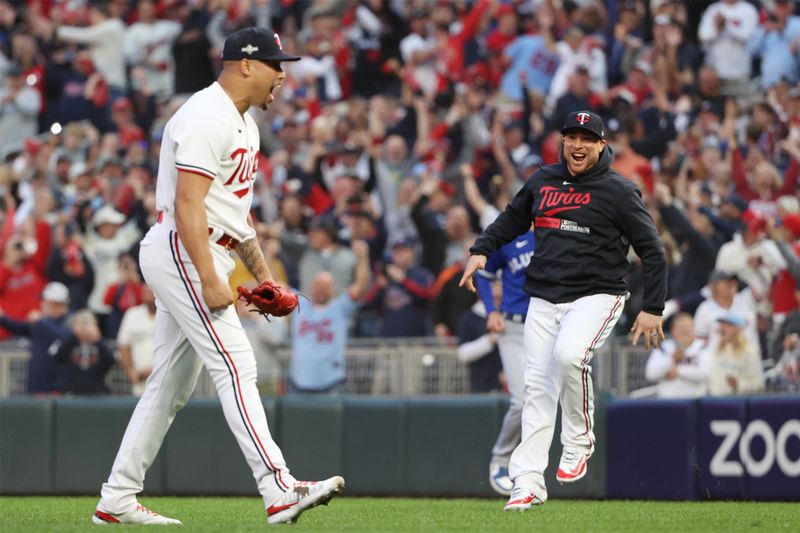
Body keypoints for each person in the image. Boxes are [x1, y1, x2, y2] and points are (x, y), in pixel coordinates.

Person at [93, 27, 344, 526]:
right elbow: (188, 204)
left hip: (205, 247)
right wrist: (211, 279)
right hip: (186, 248)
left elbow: (236, 219)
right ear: (245, 65)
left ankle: (116, 498)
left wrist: (267, 277)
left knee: (169, 387)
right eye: (276, 65)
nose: (282, 76)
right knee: (237, 366)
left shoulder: (245, 124)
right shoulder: (207, 115)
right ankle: (278, 487)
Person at [460, 111, 667, 511]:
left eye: (587, 139)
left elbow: (653, 250)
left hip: (597, 294)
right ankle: (528, 481)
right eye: (572, 137)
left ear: (602, 145)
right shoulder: (543, 180)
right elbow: (511, 219)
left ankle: (577, 443)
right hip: (545, 296)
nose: (577, 145)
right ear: (563, 141)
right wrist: (481, 250)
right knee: (536, 387)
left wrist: (653, 307)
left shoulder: (619, 190)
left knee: (570, 356)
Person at [475, 229, 535, 496]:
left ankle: (530, 469)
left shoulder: (562, 234)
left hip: (550, 327)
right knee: (522, 400)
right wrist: (491, 310)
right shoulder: (512, 237)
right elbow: (483, 273)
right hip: (513, 327)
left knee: (546, 399)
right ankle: (501, 459)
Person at [289, 240, 371, 393]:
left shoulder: (340, 307)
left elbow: (361, 285)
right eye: (318, 285)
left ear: (332, 289)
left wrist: (362, 258)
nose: (321, 289)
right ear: (311, 286)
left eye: (326, 286)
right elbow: (274, 286)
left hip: (331, 382)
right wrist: (267, 255)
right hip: (299, 382)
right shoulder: (299, 304)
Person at [0, 281, 72, 395]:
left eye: (44, 301)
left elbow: (64, 336)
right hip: (36, 386)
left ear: (54, 303)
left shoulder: (69, 320)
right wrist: (2, 316)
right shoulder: (42, 322)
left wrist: (40, 322)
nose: (41, 304)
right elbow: (18, 327)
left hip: (57, 387)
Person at [644, 313, 709, 399]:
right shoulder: (664, 347)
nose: (684, 332)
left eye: (687, 328)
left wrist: (678, 371)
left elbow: (706, 374)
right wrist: (672, 359)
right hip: (667, 403)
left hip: (694, 404)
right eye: (680, 329)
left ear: (694, 329)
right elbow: (650, 374)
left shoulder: (703, 347)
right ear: (673, 329)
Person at [54, 309, 115, 395]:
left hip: (97, 392)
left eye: (87, 323)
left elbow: (110, 360)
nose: (84, 327)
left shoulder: (101, 344)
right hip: (72, 392)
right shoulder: (69, 342)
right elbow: (58, 357)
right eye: (80, 323)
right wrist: (75, 336)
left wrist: (97, 340)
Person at [705, 314, 764, 396]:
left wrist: (738, 384)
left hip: (738, 404)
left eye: (728, 325)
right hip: (715, 403)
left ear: (738, 329)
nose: (722, 328)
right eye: (721, 324)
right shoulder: (717, 351)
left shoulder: (750, 352)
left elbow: (759, 385)